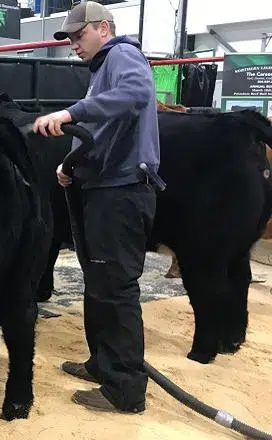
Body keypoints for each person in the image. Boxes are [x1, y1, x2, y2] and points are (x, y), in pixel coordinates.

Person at [32, 1, 160, 414]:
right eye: (69, 38)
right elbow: (105, 130)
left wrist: (72, 111)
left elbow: (136, 94)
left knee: (117, 288)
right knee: (100, 282)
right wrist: (72, 165)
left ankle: (125, 391)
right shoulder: (102, 68)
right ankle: (102, 364)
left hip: (122, 193)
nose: (73, 44)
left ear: (103, 28)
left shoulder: (122, 54)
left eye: (78, 35)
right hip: (104, 189)